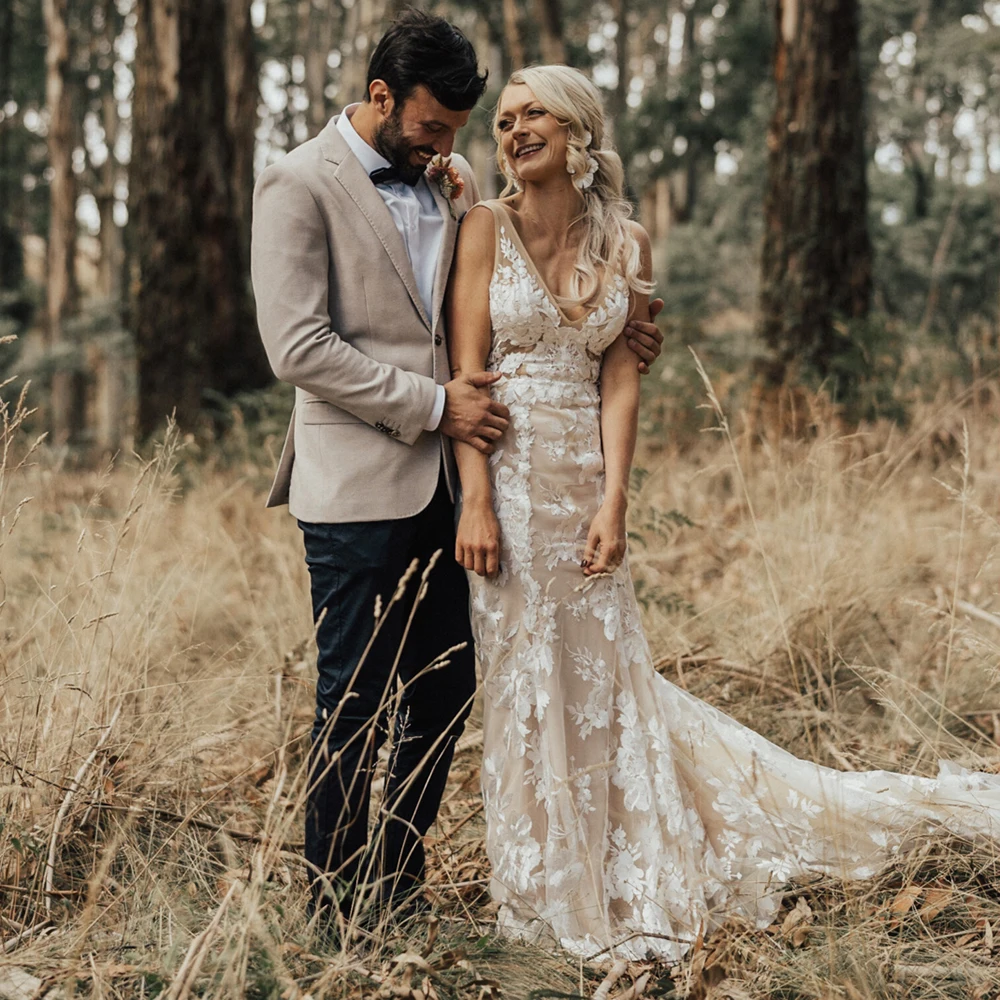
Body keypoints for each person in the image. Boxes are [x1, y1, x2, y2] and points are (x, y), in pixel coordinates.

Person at [446, 63, 1000, 963]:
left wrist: (615, 501)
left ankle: (622, 864)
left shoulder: (625, 241)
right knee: (521, 686)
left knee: (605, 682)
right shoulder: (482, 228)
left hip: (587, 482)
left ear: (579, 127)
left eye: (532, 112)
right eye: (503, 120)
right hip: (506, 486)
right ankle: (546, 892)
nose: (513, 130)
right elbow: (466, 377)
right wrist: (475, 501)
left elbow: (621, 376)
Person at [250, 13, 664, 932]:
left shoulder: (456, 185)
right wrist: (439, 406)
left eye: (455, 133)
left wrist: (614, 329)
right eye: (433, 127)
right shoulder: (293, 182)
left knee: (445, 688)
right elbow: (298, 347)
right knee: (352, 695)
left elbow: (490, 307)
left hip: (462, 488)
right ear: (383, 97)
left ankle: (397, 879)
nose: (447, 146)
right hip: (356, 482)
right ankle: (332, 903)